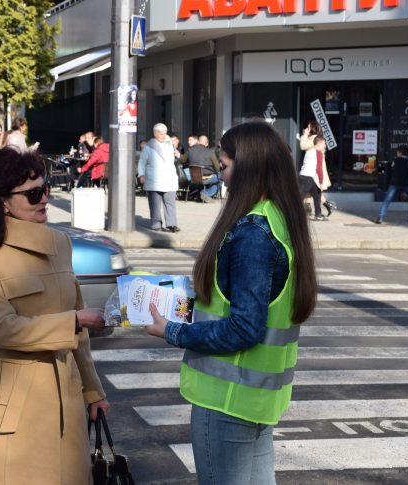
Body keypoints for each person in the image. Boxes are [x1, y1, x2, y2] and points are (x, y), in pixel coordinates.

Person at [144, 120, 317, 485]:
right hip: (256, 402)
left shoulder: (252, 234)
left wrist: (171, 331)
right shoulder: (280, 221)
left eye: (224, 166)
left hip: (226, 401)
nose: (221, 177)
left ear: (248, 167)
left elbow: (244, 328)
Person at [0, 148, 110, 484]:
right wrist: (74, 321)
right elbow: (2, 329)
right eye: (33, 193)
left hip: (63, 396)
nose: (44, 200)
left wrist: (92, 390)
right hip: (8, 403)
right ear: (2, 202)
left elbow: (77, 331)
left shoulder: (60, 243)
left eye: (46, 189)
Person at [137, 123, 180, 233]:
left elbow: (175, 158)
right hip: (154, 179)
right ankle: (156, 224)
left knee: (170, 202)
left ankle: (172, 224)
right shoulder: (148, 147)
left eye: (165, 133)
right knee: (155, 204)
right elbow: (142, 162)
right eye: (161, 134)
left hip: (169, 178)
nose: (163, 135)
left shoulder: (170, 143)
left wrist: (177, 155)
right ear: (155, 134)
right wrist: (141, 175)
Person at [374, 144, 408, 224]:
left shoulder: (395, 161)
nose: (397, 153)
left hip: (394, 183)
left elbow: (390, 169)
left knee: (387, 200)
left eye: (397, 152)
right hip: (405, 184)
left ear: (400, 152)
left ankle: (380, 217)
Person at [299, 122, 334, 215]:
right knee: (314, 190)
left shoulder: (314, 138)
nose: (307, 128)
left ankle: (315, 207)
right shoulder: (317, 138)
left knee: (313, 190)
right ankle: (318, 208)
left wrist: (304, 135)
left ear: (312, 128)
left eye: (308, 127)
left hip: (314, 170)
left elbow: (303, 146)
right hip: (313, 169)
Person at [299, 135, 328, 221]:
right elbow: (319, 169)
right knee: (299, 197)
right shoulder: (318, 153)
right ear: (318, 144)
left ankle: (318, 214)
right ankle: (290, 214)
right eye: (324, 143)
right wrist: (321, 183)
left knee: (317, 194)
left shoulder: (309, 150)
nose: (325, 145)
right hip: (307, 178)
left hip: (304, 177)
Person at [185, 134, 220, 203]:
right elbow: (217, 167)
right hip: (206, 178)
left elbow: (182, 160)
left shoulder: (190, 151)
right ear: (206, 144)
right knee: (220, 177)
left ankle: (200, 194)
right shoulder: (210, 152)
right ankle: (205, 193)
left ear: (198, 142)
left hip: (193, 178)